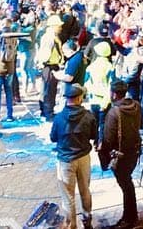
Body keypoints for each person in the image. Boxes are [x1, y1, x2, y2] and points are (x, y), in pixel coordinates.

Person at [51, 83, 98, 229]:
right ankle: (87, 217)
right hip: (83, 157)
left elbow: (53, 137)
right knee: (85, 189)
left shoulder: (59, 118)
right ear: (79, 98)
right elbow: (94, 135)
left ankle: (71, 226)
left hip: (66, 160)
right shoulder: (88, 116)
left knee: (68, 196)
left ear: (67, 99)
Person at [99, 80, 142, 229]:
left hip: (121, 155)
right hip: (134, 151)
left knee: (125, 185)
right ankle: (131, 215)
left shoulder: (113, 112)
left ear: (114, 94)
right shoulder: (136, 105)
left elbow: (108, 139)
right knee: (127, 183)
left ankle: (129, 218)